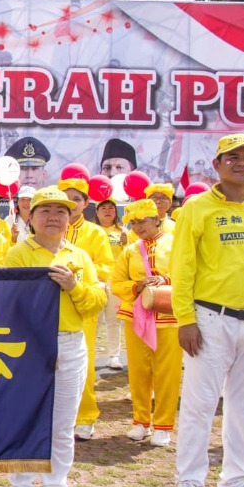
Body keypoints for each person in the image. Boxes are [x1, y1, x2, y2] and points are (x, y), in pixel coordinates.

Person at [167, 133, 244, 487]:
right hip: (211, 319)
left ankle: (238, 481)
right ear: (218, 165)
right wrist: (186, 320)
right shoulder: (197, 207)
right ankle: (189, 481)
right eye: (233, 157)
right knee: (199, 404)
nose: (242, 163)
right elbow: (183, 267)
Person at [5, 187, 107, 487]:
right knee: (27, 419)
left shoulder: (79, 256)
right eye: (45, 210)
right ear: (30, 217)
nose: (53, 216)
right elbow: (10, 302)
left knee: (63, 423)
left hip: (70, 343)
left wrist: (73, 286)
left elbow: (96, 303)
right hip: (31, 347)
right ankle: (22, 486)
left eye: (60, 211)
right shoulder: (19, 254)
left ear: (70, 217)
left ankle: (55, 486)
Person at [110, 199, 180, 446]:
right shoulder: (130, 251)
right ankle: (141, 421)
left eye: (143, 221)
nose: (138, 227)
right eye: (134, 222)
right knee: (139, 371)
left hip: (169, 316)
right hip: (135, 315)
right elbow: (116, 283)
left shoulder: (176, 244)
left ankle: (163, 424)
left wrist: (165, 279)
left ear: (157, 220)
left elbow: (190, 274)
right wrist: (136, 285)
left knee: (167, 372)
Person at [57, 178, 114, 441]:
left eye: (76, 200)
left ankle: (86, 415)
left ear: (86, 203)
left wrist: (79, 274)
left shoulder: (95, 232)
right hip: (53, 305)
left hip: (82, 302)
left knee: (86, 361)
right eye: (65, 200)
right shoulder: (52, 227)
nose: (71, 205)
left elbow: (105, 267)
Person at [94, 198, 128, 370]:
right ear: (97, 212)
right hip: (97, 279)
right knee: (95, 319)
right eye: (103, 208)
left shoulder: (123, 231)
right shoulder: (92, 231)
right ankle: (88, 354)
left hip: (115, 280)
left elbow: (128, 256)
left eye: (111, 208)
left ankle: (113, 355)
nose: (107, 211)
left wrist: (126, 243)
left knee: (113, 320)